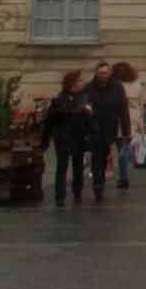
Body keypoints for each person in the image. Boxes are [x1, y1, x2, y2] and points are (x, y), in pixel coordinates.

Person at [40, 70, 95, 208]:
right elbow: (49, 122)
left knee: (78, 167)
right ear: (72, 83)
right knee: (62, 167)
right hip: (63, 138)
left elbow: (90, 121)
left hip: (78, 137)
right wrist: (45, 141)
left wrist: (94, 133)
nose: (82, 83)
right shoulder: (59, 100)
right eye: (80, 81)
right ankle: (60, 196)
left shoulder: (84, 99)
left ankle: (77, 192)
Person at [84, 60, 131, 202]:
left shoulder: (117, 87)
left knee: (104, 156)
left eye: (105, 73)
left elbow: (123, 109)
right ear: (96, 73)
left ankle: (100, 182)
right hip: (94, 126)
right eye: (100, 73)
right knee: (97, 156)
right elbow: (85, 107)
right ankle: (98, 184)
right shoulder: (89, 87)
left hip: (110, 126)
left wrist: (126, 130)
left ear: (110, 73)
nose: (103, 75)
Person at [110, 61, 146, 187]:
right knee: (126, 144)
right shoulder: (137, 84)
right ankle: (123, 175)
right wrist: (142, 127)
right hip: (134, 117)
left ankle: (123, 176)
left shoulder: (114, 85)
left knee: (121, 146)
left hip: (118, 118)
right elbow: (141, 106)